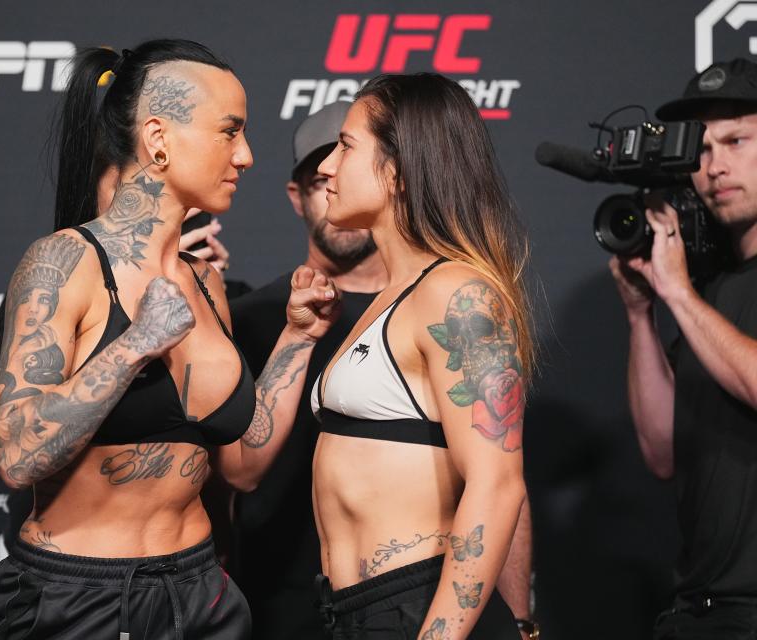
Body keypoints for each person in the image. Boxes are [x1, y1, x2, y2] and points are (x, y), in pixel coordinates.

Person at [0, 40, 340, 640]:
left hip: (201, 594)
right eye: (230, 132)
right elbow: (17, 456)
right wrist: (133, 345)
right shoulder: (65, 263)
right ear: (158, 138)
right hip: (78, 597)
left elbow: (243, 467)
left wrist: (298, 339)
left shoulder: (206, 283)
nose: (246, 155)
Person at [230, 101, 537, 639]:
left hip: (415, 607)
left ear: (395, 171)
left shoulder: (456, 293)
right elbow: (241, 467)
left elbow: (497, 483)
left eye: (345, 148)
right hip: (351, 612)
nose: (325, 169)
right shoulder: (389, 298)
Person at [609, 58, 757, 639]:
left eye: (736, 140)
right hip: (698, 608)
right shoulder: (713, 287)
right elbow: (663, 452)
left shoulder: (694, 294)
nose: (713, 166)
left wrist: (677, 291)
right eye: (702, 149)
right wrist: (641, 313)